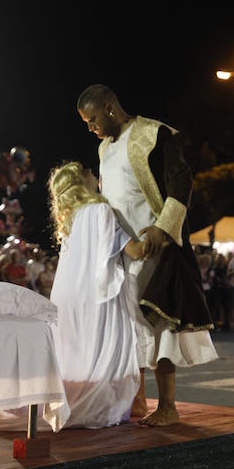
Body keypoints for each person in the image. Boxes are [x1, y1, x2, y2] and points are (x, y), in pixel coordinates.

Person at [77, 84, 219, 426]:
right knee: (129, 328)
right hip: (122, 251)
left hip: (157, 251)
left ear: (110, 108)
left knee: (160, 325)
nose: (90, 127)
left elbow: (181, 181)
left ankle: (168, 406)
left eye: (93, 119)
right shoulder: (103, 149)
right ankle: (137, 400)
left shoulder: (153, 134)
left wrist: (162, 228)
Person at [46, 161, 145, 428]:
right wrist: (162, 235)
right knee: (104, 351)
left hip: (68, 295)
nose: (94, 174)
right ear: (81, 182)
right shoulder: (101, 211)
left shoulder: (69, 220)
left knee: (77, 356)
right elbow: (134, 251)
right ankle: (103, 404)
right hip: (96, 294)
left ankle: (72, 401)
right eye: (89, 172)